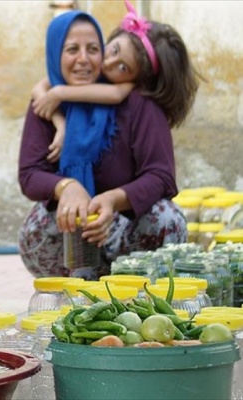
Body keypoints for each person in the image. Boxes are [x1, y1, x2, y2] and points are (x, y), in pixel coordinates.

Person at [18, 8, 198, 278]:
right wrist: (66, 187)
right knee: (35, 227)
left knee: (166, 218)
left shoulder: (137, 102)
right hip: (73, 235)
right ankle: (77, 285)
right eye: (71, 49)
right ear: (56, 54)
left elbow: (162, 177)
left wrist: (113, 201)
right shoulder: (48, 103)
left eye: (93, 49)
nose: (84, 60)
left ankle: (133, 285)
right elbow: (29, 174)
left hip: (127, 234)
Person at [33, 0, 201, 163]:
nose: (108, 63)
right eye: (114, 50)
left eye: (123, 68)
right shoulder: (87, 64)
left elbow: (115, 95)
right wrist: (60, 123)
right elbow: (39, 89)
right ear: (114, 36)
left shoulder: (126, 88)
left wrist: (60, 93)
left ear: (136, 79)